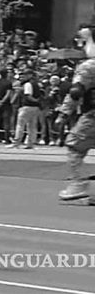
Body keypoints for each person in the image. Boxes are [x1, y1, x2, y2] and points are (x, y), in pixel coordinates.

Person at [57, 23, 95, 203]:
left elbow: (76, 92)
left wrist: (64, 113)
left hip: (93, 116)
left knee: (74, 145)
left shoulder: (89, 66)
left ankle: (78, 184)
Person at [10, 69, 40, 149]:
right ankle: (31, 143)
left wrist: (35, 100)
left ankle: (16, 142)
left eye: (26, 75)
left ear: (30, 75)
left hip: (26, 106)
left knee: (20, 125)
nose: (24, 76)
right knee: (32, 126)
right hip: (35, 107)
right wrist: (38, 102)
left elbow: (28, 95)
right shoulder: (36, 84)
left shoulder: (27, 84)